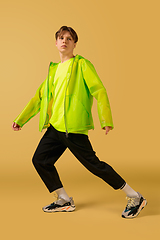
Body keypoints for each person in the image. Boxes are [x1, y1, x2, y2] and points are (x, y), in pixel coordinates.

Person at [12, 26, 147, 219]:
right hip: (55, 127)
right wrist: (20, 120)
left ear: (75, 44)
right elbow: (38, 99)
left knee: (94, 165)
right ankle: (64, 200)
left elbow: (99, 90)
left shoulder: (82, 64)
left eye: (69, 38)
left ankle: (135, 197)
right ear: (56, 43)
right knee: (40, 160)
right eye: (61, 38)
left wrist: (105, 119)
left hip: (73, 128)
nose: (64, 41)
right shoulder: (53, 71)